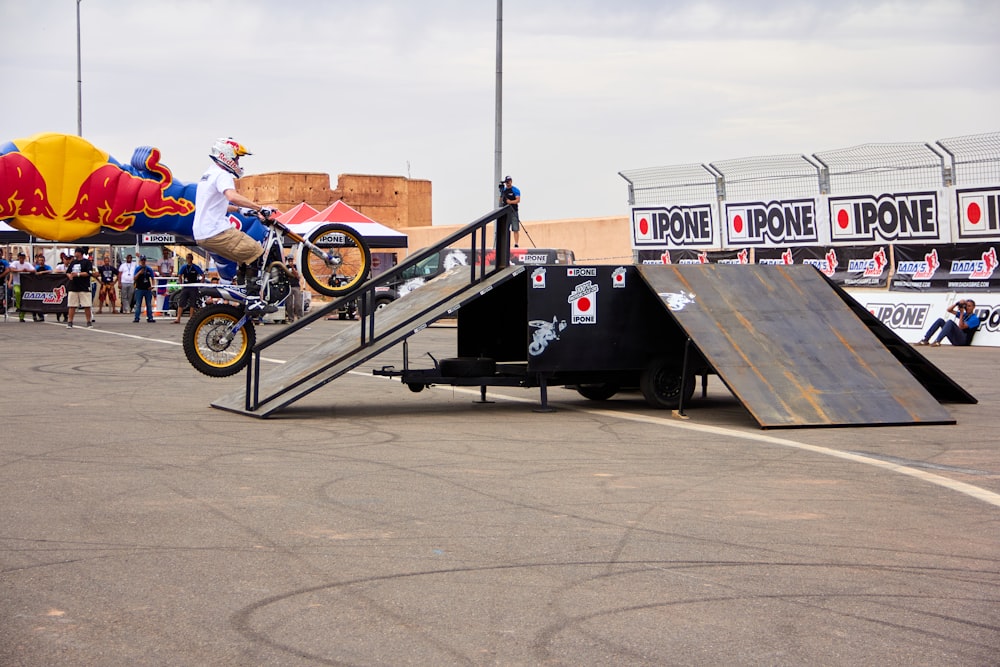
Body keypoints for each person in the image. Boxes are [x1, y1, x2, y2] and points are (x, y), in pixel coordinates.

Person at [192, 137, 269, 314]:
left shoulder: (207, 175)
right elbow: (232, 196)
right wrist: (259, 208)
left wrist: (241, 211)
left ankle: (242, 294)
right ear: (226, 156)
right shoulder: (223, 175)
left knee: (245, 257)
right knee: (256, 252)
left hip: (203, 234)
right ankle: (252, 300)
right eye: (236, 158)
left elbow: (218, 204)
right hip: (216, 231)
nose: (237, 162)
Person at [916, 299, 981, 347]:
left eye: (969, 306)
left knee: (950, 322)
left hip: (963, 341)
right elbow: (949, 310)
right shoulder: (965, 315)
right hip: (956, 339)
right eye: (966, 306)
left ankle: (938, 341)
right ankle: (925, 340)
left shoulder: (975, 319)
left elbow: (961, 327)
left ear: (973, 307)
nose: (967, 308)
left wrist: (961, 313)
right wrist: (957, 303)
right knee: (940, 320)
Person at [65, 247, 96, 328]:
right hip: (73, 286)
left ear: (79, 253)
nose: (75, 254)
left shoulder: (87, 262)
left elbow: (89, 273)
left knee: (86, 305)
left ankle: (88, 321)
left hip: (84, 287)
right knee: (72, 305)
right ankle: (70, 321)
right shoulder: (73, 262)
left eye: (76, 252)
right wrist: (70, 276)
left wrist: (78, 274)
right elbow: (68, 272)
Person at [173, 253, 204, 324]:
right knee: (181, 302)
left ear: (192, 259)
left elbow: (202, 275)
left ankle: (191, 319)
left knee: (192, 303)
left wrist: (200, 284)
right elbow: (180, 275)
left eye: (190, 258)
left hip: (193, 287)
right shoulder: (184, 267)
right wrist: (181, 283)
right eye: (187, 258)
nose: (188, 259)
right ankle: (178, 318)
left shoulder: (195, 267)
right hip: (186, 287)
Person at [8, 251, 35, 322]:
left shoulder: (27, 264)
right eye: (20, 257)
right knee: (17, 292)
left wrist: (27, 270)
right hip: (17, 283)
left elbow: (34, 270)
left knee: (24, 299)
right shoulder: (15, 263)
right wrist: (20, 270)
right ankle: (18, 306)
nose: (22, 259)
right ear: (18, 257)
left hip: (25, 284)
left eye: (23, 257)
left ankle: (21, 316)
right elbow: (11, 269)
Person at [498, 175, 522, 248]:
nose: (508, 183)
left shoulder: (515, 190)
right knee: (505, 228)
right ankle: (504, 243)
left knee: (515, 228)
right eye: (506, 182)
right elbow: (500, 201)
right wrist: (501, 194)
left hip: (513, 211)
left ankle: (516, 243)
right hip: (505, 212)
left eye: (509, 182)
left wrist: (510, 202)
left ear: (511, 181)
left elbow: (518, 200)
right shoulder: (504, 190)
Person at [132, 255, 157, 323]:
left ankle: (150, 317)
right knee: (138, 304)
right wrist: (139, 273)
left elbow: (152, 278)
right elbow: (134, 278)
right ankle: (137, 317)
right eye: (142, 260)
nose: (143, 261)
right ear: (140, 261)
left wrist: (153, 285)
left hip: (147, 288)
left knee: (148, 304)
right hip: (139, 288)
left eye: (144, 260)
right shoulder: (138, 268)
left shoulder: (149, 269)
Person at [31, 252, 52, 322]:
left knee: (41, 301)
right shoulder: (36, 267)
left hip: (44, 286)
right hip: (36, 286)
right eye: (40, 260)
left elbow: (51, 270)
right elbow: (33, 271)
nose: (41, 262)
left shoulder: (47, 267)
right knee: (35, 301)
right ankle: (34, 314)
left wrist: (42, 273)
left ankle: (41, 315)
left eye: (42, 260)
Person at [284, 256, 303, 323]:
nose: (290, 262)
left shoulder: (296, 267)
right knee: (289, 304)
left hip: (296, 286)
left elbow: (298, 276)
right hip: (289, 286)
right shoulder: (285, 267)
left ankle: (300, 317)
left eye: (291, 260)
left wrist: (292, 268)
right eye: (289, 260)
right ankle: (290, 318)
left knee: (298, 303)